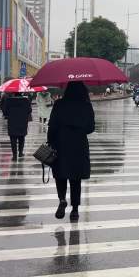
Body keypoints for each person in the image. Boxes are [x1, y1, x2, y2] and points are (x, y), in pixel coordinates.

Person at [48, 82, 95, 220]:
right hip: (79, 145)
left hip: (60, 143)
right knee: (76, 178)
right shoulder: (86, 106)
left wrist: (51, 142)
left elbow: (52, 126)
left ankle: (62, 199)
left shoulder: (59, 104)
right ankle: (75, 210)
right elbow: (90, 128)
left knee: (60, 174)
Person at [3, 93, 32, 160]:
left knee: (13, 139)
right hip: (22, 122)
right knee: (21, 137)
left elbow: (5, 112)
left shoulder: (8, 100)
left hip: (12, 122)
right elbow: (29, 110)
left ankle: (14, 155)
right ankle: (20, 153)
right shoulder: (25, 100)